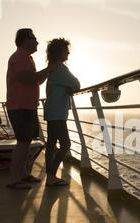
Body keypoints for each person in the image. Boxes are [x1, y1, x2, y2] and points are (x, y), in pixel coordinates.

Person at [6, 28, 58, 189]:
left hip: (27, 106)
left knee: (26, 141)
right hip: (20, 106)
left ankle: (22, 174)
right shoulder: (20, 56)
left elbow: (36, 81)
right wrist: (48, 69)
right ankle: (15, 179)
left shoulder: (27, 58)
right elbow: (27, 79)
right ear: (24, 39)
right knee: (22, 142)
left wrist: (48, 70)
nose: (36, 41)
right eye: (33, 38)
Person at [44, 38, 80, 186]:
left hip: (51, 111)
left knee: (51, 144)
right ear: (59, 52)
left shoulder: (52, 68)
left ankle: (49, 176)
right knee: (65, 144)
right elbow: (76, 84)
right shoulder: (60, 68)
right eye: (66, 50)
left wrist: (68, 89)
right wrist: (70, 89)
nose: (69, 52)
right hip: (58, 113)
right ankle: (51, 176)